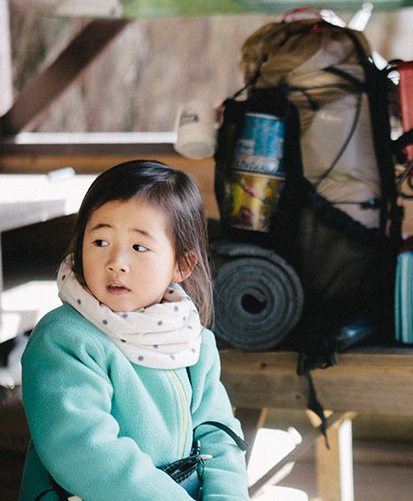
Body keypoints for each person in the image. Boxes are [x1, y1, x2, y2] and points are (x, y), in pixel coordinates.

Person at [18, 160, 250, 500]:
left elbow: (219, 434)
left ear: (182, 264)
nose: (117, 262)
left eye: (139, 247)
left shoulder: (190, 340)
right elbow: (84, 449)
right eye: (100, 242)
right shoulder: (64, 339)